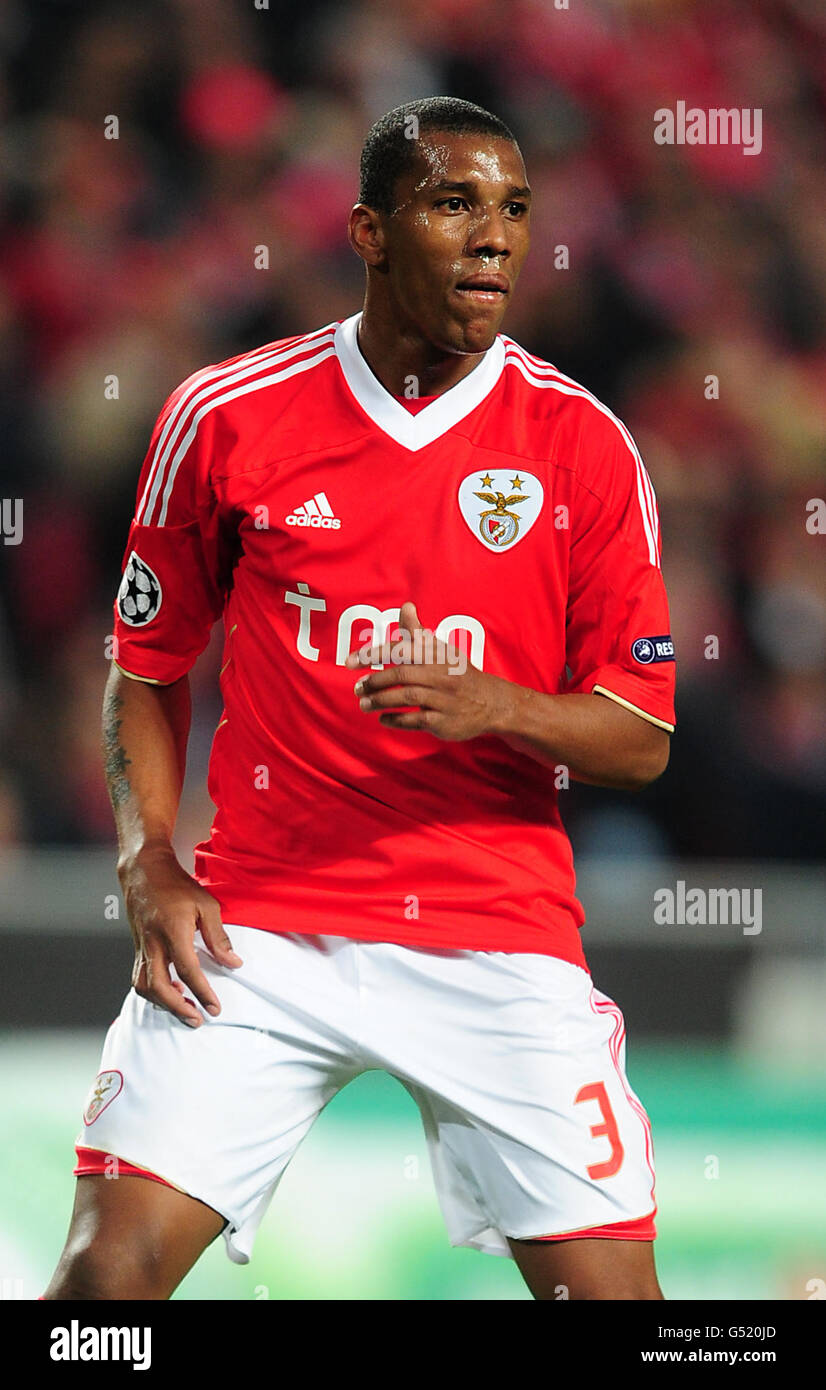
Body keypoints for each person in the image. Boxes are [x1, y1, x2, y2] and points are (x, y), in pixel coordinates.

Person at [44, 97, 675, 1302]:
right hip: (263, 930)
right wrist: (149, 862)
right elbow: (148, 661)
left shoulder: (583, 447)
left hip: (496, 934)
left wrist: (504, 707)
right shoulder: (225, 416)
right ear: (369, 233)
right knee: (97, 1292)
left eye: (514, 210)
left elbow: (641, 741)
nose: (494, 237)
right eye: (454, 204)